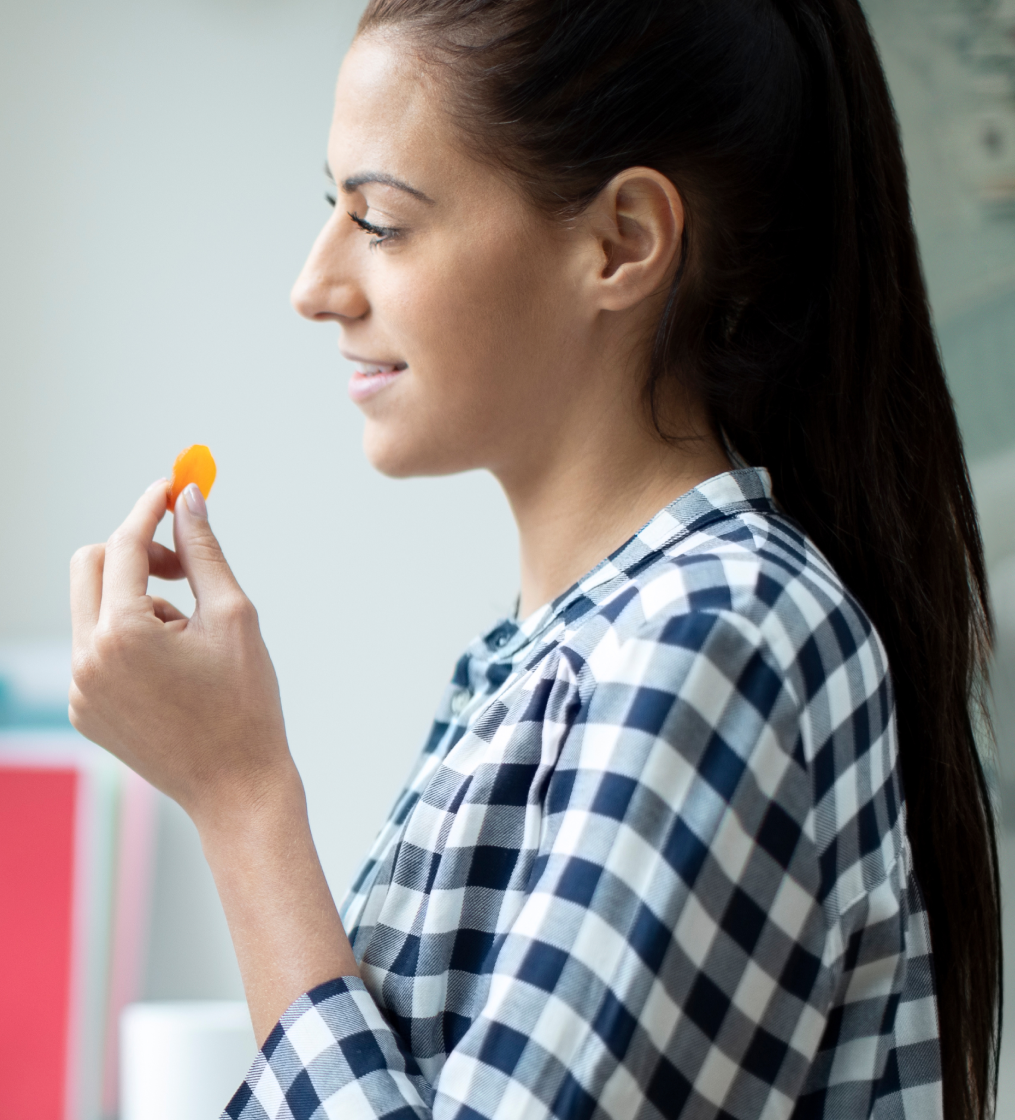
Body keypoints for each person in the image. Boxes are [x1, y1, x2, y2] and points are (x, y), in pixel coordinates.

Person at [67, 0, 1001, 1115]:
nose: (314, 286)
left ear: (621, 242)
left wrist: (238, 797)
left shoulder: (713, 642)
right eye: (335, 209)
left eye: (381, 221)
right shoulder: (557, 656)